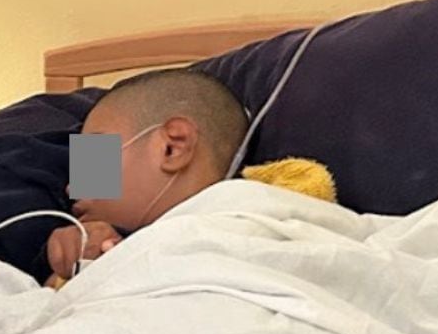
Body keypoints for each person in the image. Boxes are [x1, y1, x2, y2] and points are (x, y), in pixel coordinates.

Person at [47, 68, 336, 285]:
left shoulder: (276, 215)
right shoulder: (82, 254)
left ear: (173, 147)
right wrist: (69, 273)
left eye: (92, 158)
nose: (73, 186)